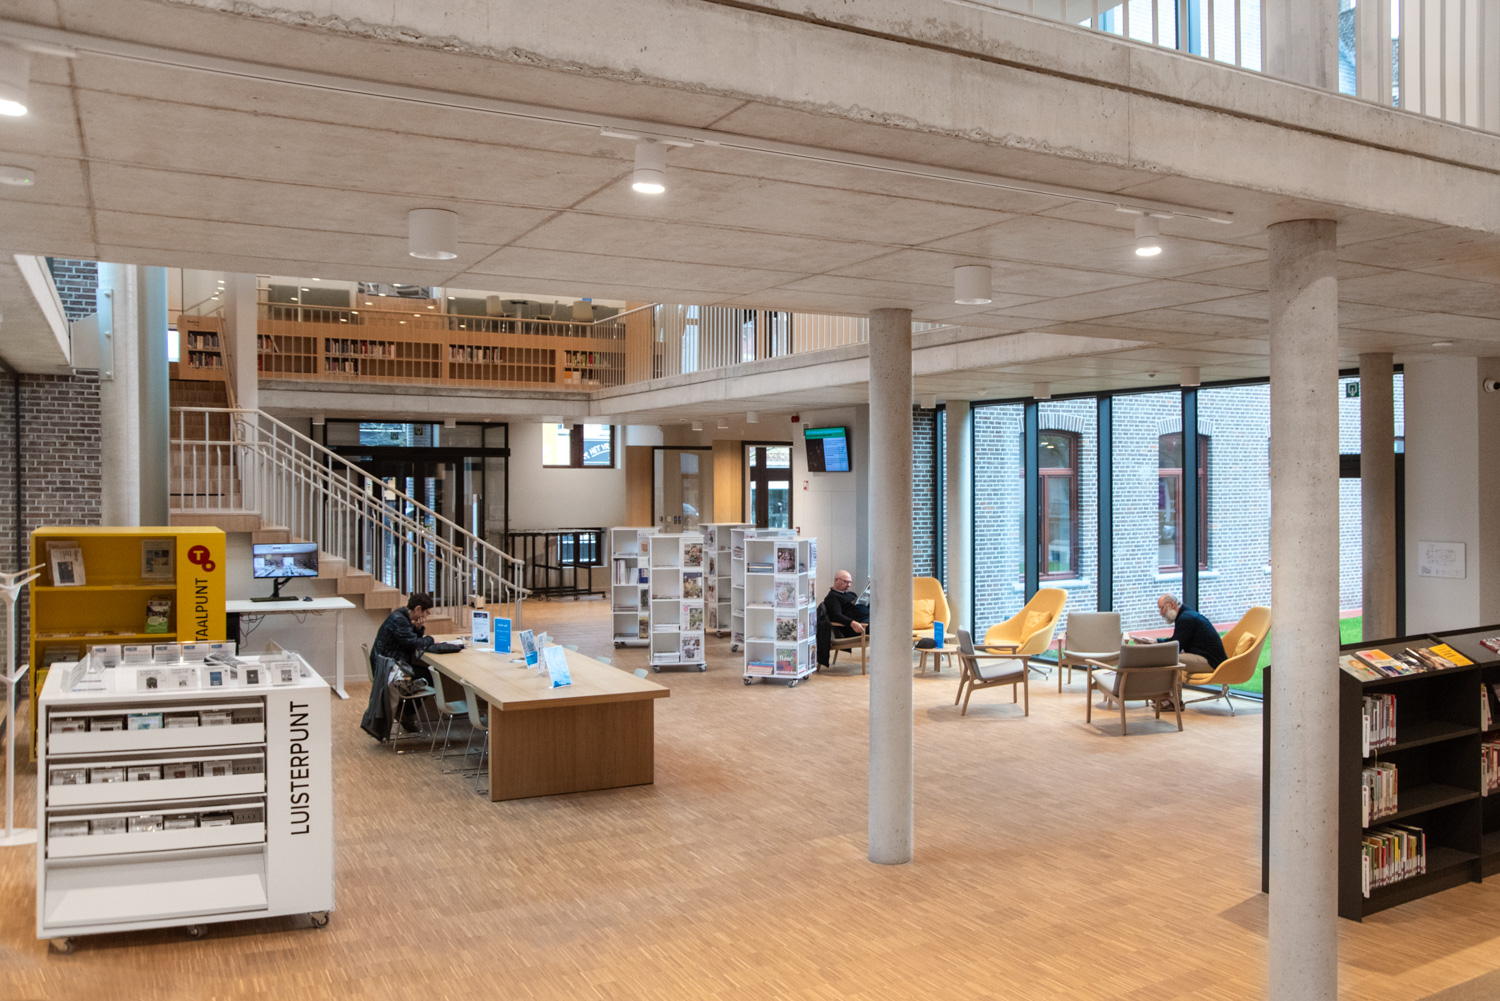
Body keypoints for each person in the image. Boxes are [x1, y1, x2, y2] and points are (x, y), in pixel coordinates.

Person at [361, 593, 460, 741]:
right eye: (426, 612)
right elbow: (413, 643)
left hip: (388, 664)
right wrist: (431, 639)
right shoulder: (399, 620)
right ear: (418, 609)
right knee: (428, 676)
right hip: (391, 671)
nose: (426, 616)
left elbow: (411, 640)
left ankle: (405, 710)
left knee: (424, 672)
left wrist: (418, 629)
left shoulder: (400, 615)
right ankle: (406, 712)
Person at [1134, 594, 1227, 711]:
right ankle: (1163, 697)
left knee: (1173, 659)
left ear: (1172, 604)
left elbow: (1175, 647)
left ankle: (1174, 702)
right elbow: (1177, 641)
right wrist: (1154, 641)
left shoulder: (1185, 618)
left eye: (1162, 608)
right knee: (1170, 657)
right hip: (1204, 657)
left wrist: (1154, 644)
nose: (1160, 613)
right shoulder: (1185, 615)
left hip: (1211, 661)